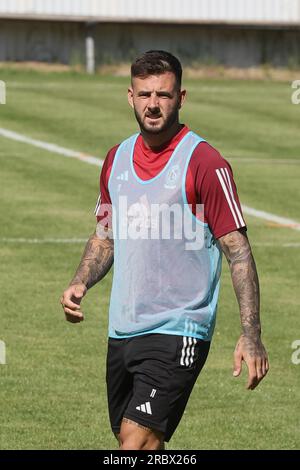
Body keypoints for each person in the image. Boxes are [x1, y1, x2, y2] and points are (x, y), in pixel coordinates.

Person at [60, 50, 269, 450]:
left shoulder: (205, 162)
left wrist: (251, 334)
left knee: (133, 444)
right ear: (130, 96)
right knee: (139, 442)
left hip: (180, 326)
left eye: (163, 94)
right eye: (144, 94)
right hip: (122, 328)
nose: (153, 104)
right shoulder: (115, 160)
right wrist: (79, 281)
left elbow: (238, 252)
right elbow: (105, 235)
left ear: (181, 97)